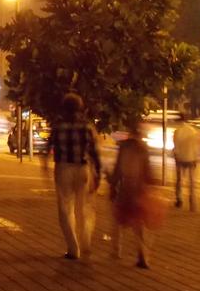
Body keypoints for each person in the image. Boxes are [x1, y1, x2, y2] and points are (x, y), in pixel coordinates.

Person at [46, 93, 101, 260]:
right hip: (83, 169)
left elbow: (48, 149)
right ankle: (86, 240)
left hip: (63, 169)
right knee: (85, 207)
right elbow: (94, 152)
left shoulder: (58, 126)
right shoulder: (87, 127)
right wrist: (97, 172)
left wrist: (45, 169)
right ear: (80, 108)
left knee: (65, 209)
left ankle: (73, 248)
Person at [108, 127, 154, 268]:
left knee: (118, 219)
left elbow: (118, 169)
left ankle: (116, 250)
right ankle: (142, 255)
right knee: (138, 223)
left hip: (126, 188)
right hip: (139, 189)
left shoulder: (124, 147)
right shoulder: (143, 148)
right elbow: (148, 171)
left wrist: (112, 185)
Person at [172, 112, 200, 211]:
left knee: (180, 180)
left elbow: (175, 147)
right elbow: (197, 146)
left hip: (180, 159)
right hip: (191, 158)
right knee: (192, 182)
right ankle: (192, 203)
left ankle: (179, 199)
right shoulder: (193, 131)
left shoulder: (177, 131)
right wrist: (196, 157)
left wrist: (176, 156)